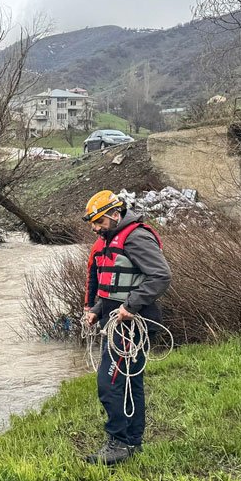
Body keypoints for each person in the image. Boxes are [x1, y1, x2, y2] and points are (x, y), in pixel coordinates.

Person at [82, 189, 171, 466]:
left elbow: (160, 276)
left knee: (110, 383)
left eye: (99, 222)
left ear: (114, 214)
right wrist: (97, 310)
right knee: (130, 383)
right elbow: (115, 288)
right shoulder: (112, 238)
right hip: (117, 322)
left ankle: (118, 443)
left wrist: (131, 306)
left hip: (132, 325)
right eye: (93, 223)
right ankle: (132, 442)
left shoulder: (136, 237)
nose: (95, 228)